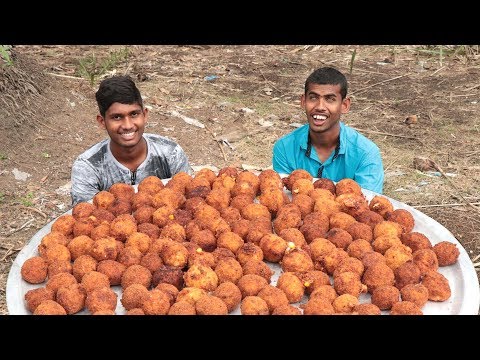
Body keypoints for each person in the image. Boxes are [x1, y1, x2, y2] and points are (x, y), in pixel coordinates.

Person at [70, 75, 192, 205]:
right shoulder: (88, 167)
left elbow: (192, 200)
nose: (128, 125)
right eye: (117, 117)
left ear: (144, 115)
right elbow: (83, 217)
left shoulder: (171, 154)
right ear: (102, 121)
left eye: (134, 114)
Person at [272, 66, 384, 193]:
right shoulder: (285, 148)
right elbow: (283, 200)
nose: (320, 107)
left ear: (344, 105)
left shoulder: (366, 154)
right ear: (303, 101)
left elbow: (366, 206)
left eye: (330, 99)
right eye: (313, 98)